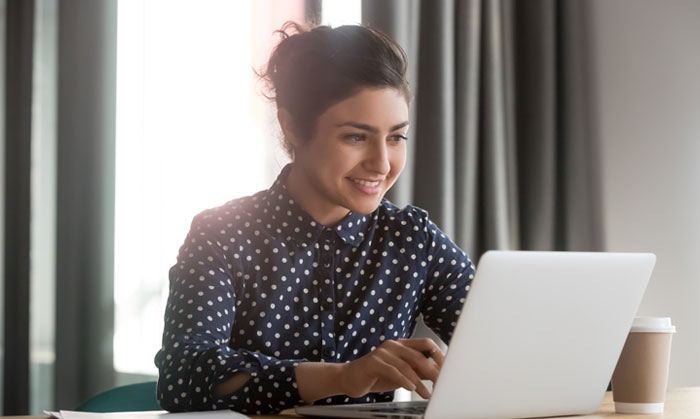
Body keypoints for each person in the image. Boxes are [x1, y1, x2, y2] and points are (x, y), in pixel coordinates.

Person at [154, 22, 475, 415]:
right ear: (292, 126)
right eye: (356, 137)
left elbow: (507, 343)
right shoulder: (222, 234)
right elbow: (184, 378)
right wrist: (344, 377)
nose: (382, 163)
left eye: (396, 137)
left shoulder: (413, 239)